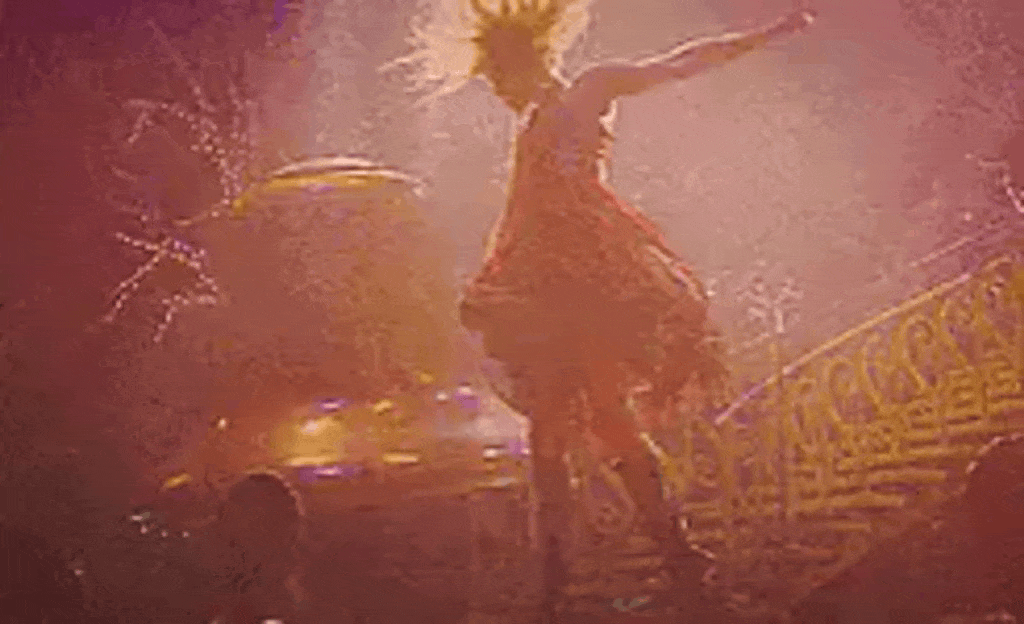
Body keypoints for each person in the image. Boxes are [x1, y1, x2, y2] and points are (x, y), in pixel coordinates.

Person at [390, 0, 815, 612]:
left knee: (605, 423)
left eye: (499, 81)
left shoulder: (590, 89)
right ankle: (564, 580)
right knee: (550, 435)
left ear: (524, 63)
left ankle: (669, 559)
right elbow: (529, 203)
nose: (501, 95)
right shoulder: (531, 120)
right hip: (544, 279)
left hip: (589, 274)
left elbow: (679, 63)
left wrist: (769, 33)